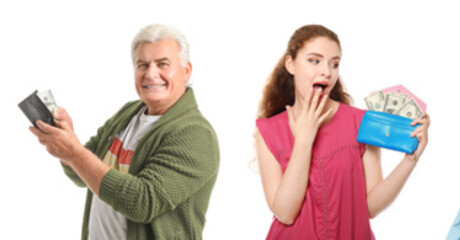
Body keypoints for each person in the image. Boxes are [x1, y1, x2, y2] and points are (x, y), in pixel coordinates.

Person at [29, 24, 219, 239]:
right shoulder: (128, 113)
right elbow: (80, 174)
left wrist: (73, 152)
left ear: (186, 71)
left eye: (163, 64)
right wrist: (67, 143)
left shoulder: (195, 134)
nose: (151, 73)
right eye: (142, 65)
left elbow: (142, 203)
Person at [252, 24, 432, 239]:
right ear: (290, 64)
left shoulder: (360, 122)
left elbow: (371, 207)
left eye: (334, 64)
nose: (326, 71)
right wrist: (303, 140)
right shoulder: (269, 130)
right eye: (314, 61)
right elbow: (285, 213)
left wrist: (409, 161)